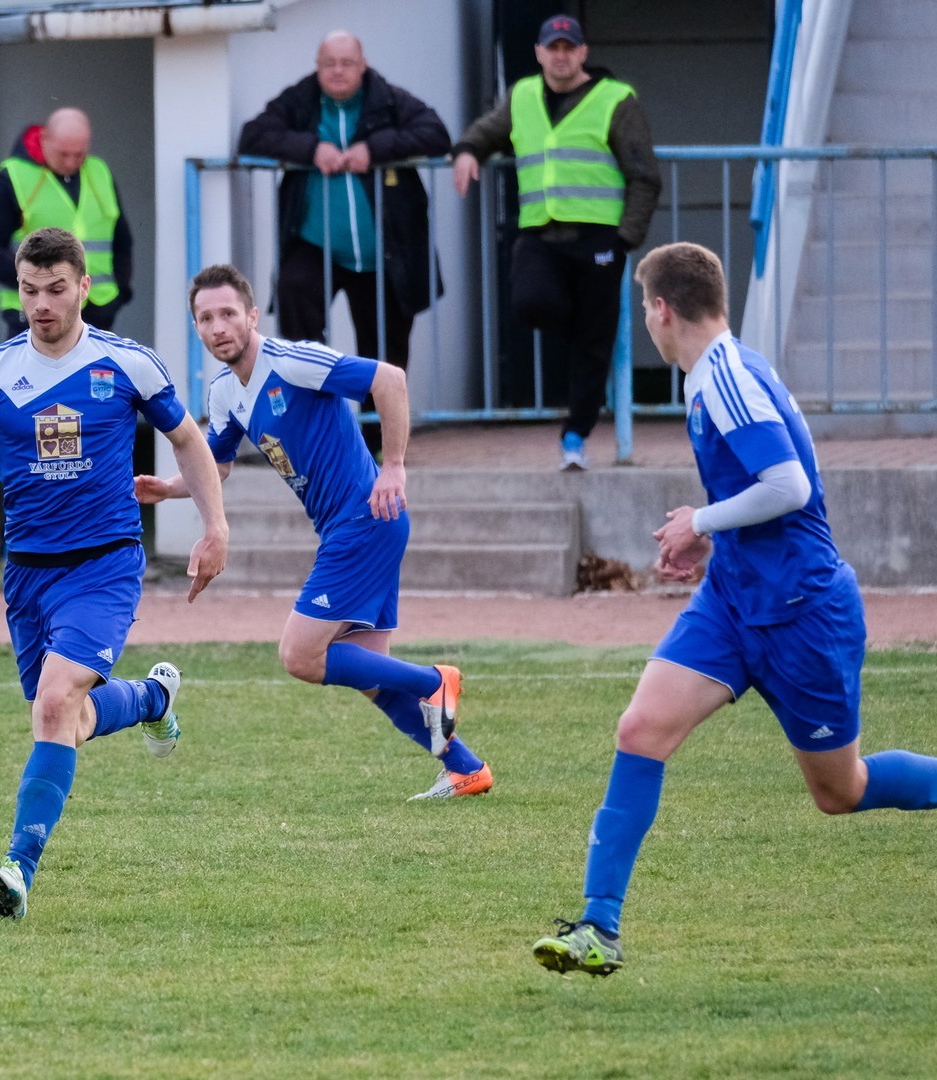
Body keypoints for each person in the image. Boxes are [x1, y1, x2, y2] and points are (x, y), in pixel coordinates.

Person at [532, 242, 937, 977]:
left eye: (643, 307)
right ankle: (598, 927)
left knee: (840, 791)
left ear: (662, 309)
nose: (644, 320)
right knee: (641, 730)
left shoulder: (728, 377)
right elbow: (764, 494)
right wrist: (710, 543)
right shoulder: (708, 376)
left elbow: (789, 487)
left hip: (804, 613)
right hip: (732, 601)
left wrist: (701, 522)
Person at [0, 227, 228, 920]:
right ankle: (152, 699)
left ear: (85, 287)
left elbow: (189, 442)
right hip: (27, 573)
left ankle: (19, 869)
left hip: (105, 564)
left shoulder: (127, 364)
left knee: (55, 702)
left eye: (56, 289)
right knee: (67, 716)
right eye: (28, 290)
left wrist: (214, 526)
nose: (40, 304)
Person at [137, 264, 492, 802]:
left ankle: (433, 682)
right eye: (205, 318)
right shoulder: (224, 393)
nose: (218, 327)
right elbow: (216, 465)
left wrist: (394, 466)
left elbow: (389, 380)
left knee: (299, 656)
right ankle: (466, 769)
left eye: (228, 313)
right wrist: (167, 488)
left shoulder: (292, 360)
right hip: (351, 528)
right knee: (370, 677)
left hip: (365, 518)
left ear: (252, 316)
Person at [452, 14, 661, 471]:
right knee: (532, 303)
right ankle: (580, 339)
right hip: (540, 233)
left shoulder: (615, 99)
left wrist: (626, 238)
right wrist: (467, 151)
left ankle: (574, 436)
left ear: (583, 52)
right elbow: (487, 131)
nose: (561, 55)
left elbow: (645, 175)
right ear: (539, 53)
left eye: (569, 47)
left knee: (593, 343)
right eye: (553, 47)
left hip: (599, 236)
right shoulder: (522, 94)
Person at [237, 31, 450, 375]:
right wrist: (311, 150)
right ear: (317, 66)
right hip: (316, 244)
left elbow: (436, 134)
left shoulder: (388, 99)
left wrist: (374, 150)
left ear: (363, 65)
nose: (338, 70)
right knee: (295, 301)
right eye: (329, 63)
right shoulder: (300, 99)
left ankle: (377, 413)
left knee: (383, 358)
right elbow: (253, 136)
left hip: (384, 250)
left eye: (347, 63)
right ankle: (312, 400)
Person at [0, 106, 134, 340]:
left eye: (79, 154)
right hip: (34, 315)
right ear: (44, 138)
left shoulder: (99, 171)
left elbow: (122, 241)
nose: (71, 162)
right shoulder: (11, 177)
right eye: (63, 154)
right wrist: (39, 284)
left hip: (96, 311)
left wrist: (120, 292)